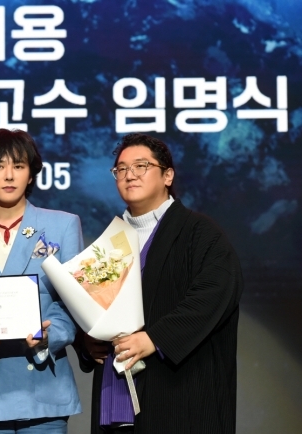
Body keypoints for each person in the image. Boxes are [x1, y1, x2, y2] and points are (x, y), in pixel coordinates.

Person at [75, 133, 243, 433]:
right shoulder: (109, 242)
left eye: (141, 166)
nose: (130, 175)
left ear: (168, 176)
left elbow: (214, 295)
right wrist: (88, 342)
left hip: (181, 394)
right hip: (118, 394)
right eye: (121, 169)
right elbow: (90, 307)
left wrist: (155, 338)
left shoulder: (200, 233)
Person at [0, 128, 82, 434]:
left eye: (19, 166)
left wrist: (50, 335)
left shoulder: (62, 226)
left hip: (42, 387)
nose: (9, 175)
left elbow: (74, 302)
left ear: (31, 174)